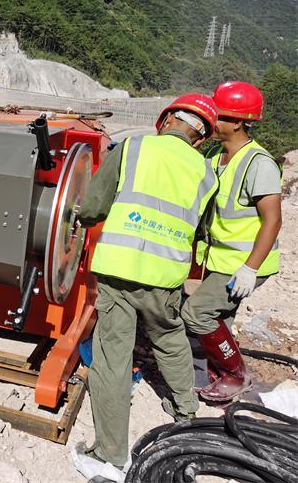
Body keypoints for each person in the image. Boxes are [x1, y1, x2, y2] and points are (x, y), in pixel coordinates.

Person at [75, 93, 219, 474]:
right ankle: (186, 412)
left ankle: (110, 454)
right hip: (165, 276)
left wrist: (83, 218)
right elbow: (201, 230)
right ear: (201, 138)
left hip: (120, 269)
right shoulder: (208, 173)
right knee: (170, 340)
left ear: (166, 119)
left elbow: (94, 205)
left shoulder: (133, 148)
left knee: (112, 360)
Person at [181, 81, 282, 402]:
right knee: (220, 318)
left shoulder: (258, 163)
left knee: (196, 313)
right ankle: (220, 370)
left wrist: (250, 269)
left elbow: (273, 219)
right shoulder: (216, 157)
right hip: (221, 260)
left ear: (238, 122)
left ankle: (236, 376)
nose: (211, 120)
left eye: (218, 116)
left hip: (245, 263)